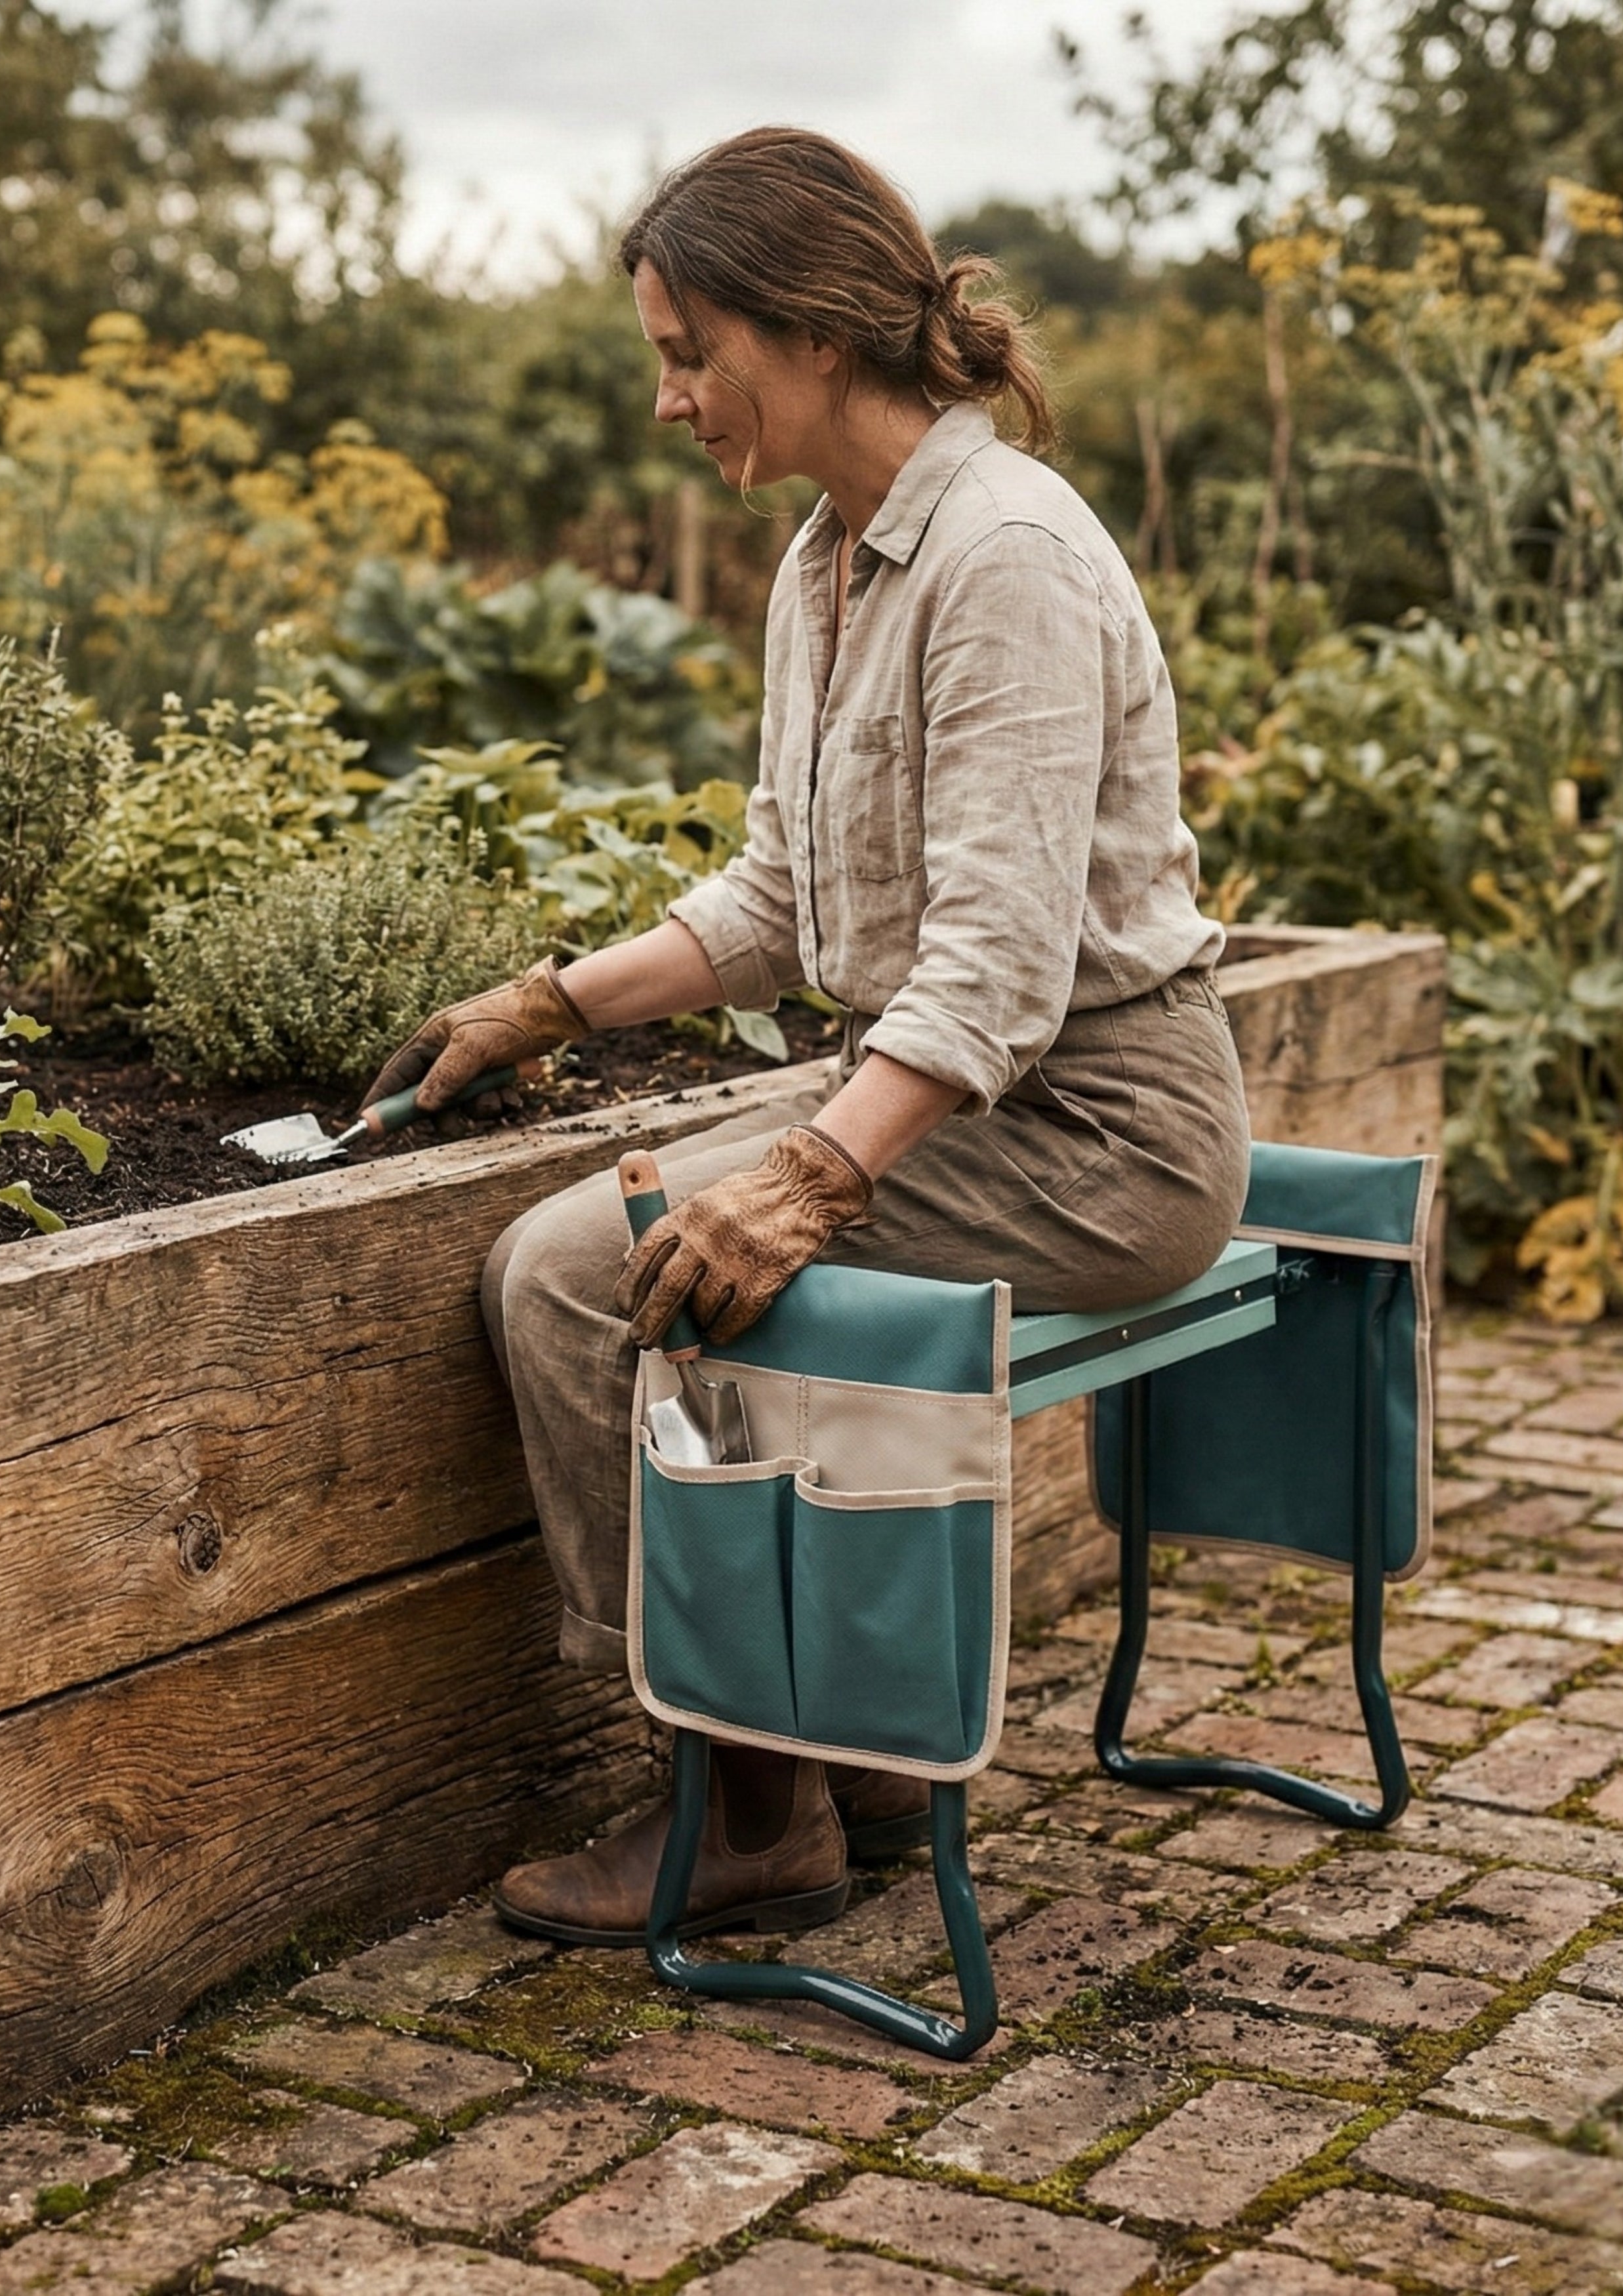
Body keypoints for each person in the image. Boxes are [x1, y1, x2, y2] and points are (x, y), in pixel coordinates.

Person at [363, 126, 1250, 1947]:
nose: (671, 400)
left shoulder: (999, 553)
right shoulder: (828, 558)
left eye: (691, 354)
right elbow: (780, 900)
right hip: (987, 1106)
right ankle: (854, 1763)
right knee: (669, 1246)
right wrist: (537, 1005)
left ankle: (740, 1797)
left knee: (568, 1272)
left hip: (1105, 1134)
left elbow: (997, 968)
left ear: (818, 334)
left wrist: (805, 1174)